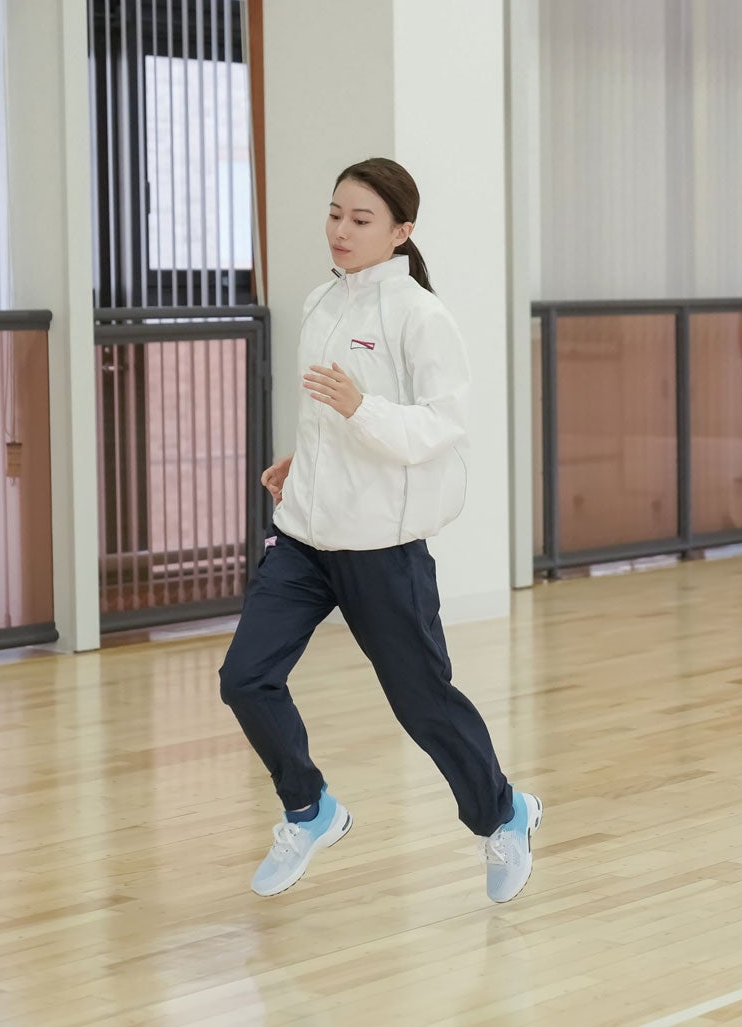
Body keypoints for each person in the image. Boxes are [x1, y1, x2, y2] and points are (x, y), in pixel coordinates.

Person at [217, 157, 541, 904]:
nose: (341, 230)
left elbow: (440, 427)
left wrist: (360, 408)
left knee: (423, 702)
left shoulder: (421, 316)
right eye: (335, 213)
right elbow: (328, 419)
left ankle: (503, 813)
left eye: (361, 219)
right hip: (304, 537)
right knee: (245, 678)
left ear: (401, 231)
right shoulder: (320, 302)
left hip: (381, 549)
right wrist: (302, 462)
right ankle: (310, 808)